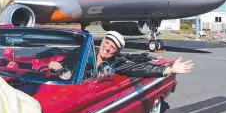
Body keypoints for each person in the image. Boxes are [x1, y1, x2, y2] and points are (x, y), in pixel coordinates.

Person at [48, 30, 194, 78]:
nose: (107, 48)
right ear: (102, 41)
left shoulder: (116, 63)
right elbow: (59, 64)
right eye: (107, 43)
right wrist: (57, 67)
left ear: (117, 51)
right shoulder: (83, 54)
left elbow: (139, 69)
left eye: (113, 47)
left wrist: (169, 70)